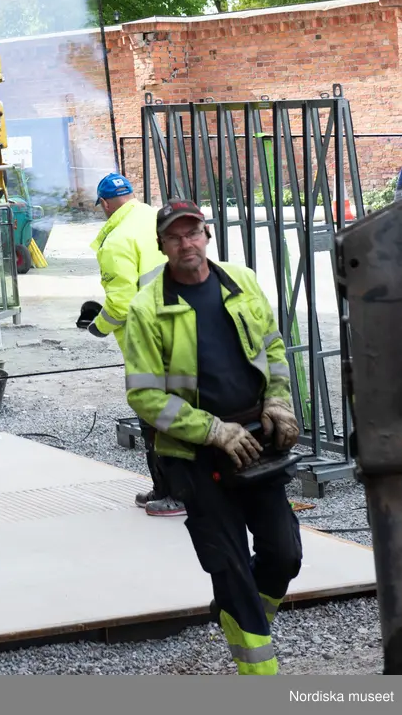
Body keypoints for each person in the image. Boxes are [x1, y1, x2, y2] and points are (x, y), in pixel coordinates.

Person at [123, 198, 303, 676]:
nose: (187, 243)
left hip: (255, 440)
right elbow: (144, 397)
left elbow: (274, 348)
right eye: (175, 236)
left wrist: (279, 400)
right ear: (162, 245)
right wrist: (210, 429)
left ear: (207, 236)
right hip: (194, 454)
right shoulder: (148, 308)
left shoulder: (240, 282)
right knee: (229, 564)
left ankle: (238, 617)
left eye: (194, 232)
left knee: (284, 555)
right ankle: (259, 672)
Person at [76, 172, 184, 517]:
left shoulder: (116, 240)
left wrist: (99, 327)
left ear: (105, 204)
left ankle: (176, 494)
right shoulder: (157, 218)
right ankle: (165, 487)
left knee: (156, 417)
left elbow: (121, 304)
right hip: (181, 331)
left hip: (147, 341)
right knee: (175, 411)